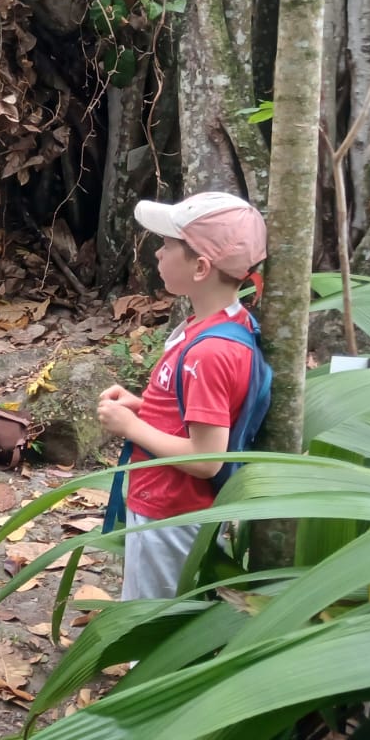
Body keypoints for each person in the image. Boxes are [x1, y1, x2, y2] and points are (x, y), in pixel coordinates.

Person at [99, 192, 267, 601]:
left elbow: (207, 459)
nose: (158, 253)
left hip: (172, 514)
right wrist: (144, 406)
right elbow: (197, 413)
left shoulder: (211, 352)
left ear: (201, 267)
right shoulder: (217, 324)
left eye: (168, 245)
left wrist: (131, 426)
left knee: (153, 617)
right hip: (165, 503)